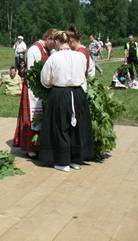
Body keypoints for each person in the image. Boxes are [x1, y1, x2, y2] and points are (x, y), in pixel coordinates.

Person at [39, 30, 93, 172]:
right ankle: (76, 160)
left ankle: (63, 162)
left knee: (60, 126)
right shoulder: (80, 56)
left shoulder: (54, 57)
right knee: (76, 127)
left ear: (57, 42)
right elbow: (84, 74)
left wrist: (51, 85)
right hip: (78, 93)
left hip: (60, 92)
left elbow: (45, 79)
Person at [13, 29, 56, 158]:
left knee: (41, 117)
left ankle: (40, 144)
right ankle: (30, 147)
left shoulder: (47, 49)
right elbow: (32, 70)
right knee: (31, 117)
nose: (54, 46)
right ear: (48, 38)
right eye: (53, 42)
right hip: (33, 87)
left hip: (43, 87)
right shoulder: (34, 49)